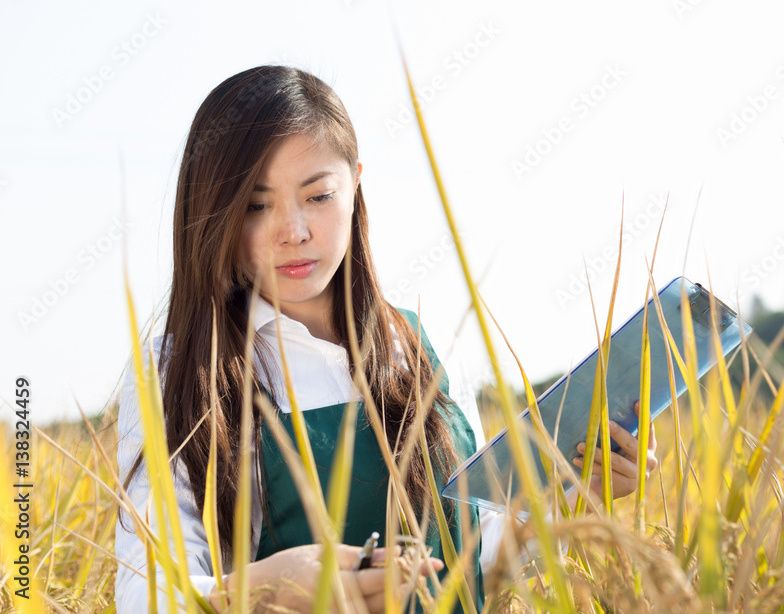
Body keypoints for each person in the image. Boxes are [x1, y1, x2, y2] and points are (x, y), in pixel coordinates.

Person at [114, 64, 658, 613]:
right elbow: (146, 591)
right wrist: (262, 591)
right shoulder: (181, 372)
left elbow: (472, 552)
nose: (294, 230)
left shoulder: (416, 341)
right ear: (213, 213)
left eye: (318, 196)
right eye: (257, 206)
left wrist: (576, 501)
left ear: (355, 182)